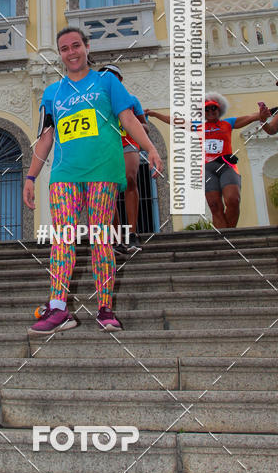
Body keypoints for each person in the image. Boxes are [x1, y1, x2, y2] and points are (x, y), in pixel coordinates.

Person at [24, 27, 162, 334]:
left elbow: (128, 119)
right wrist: (31, 176)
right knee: (63, 239)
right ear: (59, 54)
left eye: (76, 45)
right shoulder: (52, 92)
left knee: (101, 239)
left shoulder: (107, 82)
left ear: (87, 47)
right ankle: (59, 309)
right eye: (64, 48)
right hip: (64, 174)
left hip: (102, 171)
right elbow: (46, 137)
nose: (71, 52)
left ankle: (105, 308)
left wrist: (150, 148)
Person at [147, 93, 261, 228]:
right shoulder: (198, 126)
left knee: (233, 200)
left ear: (219, 110)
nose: (211, 111)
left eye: (214, 108)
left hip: (226, 166)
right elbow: (174, 120)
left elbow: (251, 117)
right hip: (208, 169)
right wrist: (155, 114)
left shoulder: (228, 123)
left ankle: (229, 233)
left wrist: (266, 112)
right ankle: (225, 238)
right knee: (214, 205)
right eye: (207, 109)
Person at [99, 64, 149, 253]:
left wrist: (132, 124)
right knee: (107, 191)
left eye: (113, 76)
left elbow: (145, 127)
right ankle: (116, 237)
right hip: (106, 149)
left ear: (119, 80)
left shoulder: (131, 100)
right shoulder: (97, 102)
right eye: (105, 76)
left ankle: (132, 233)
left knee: (130, 180)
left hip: (128, 144)